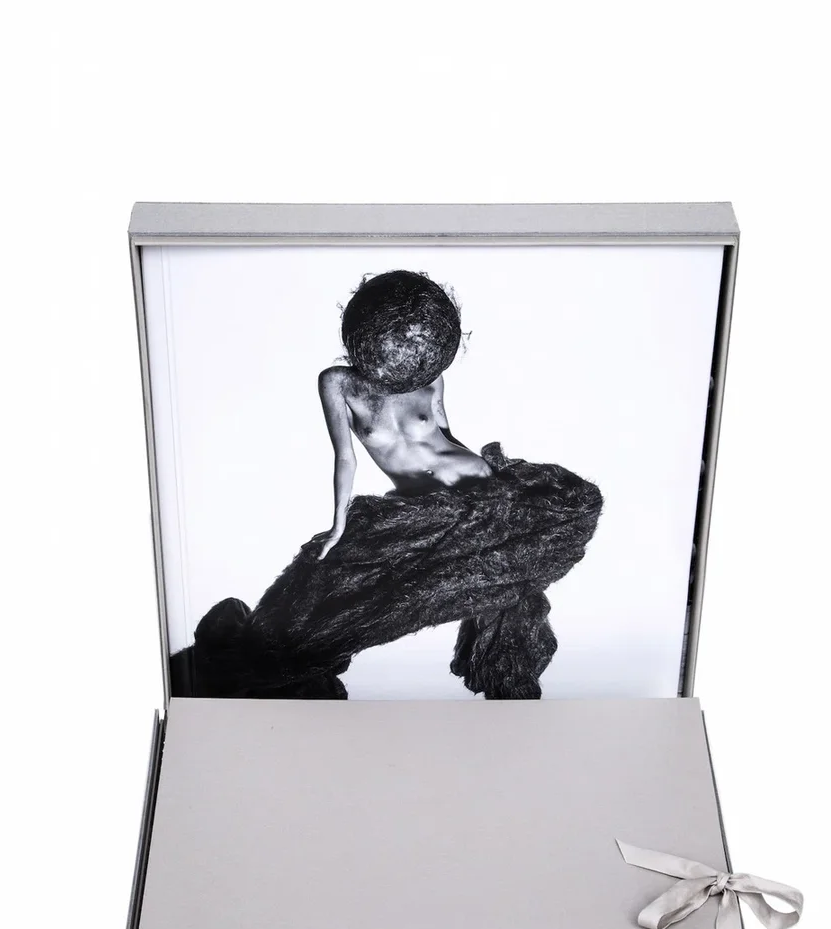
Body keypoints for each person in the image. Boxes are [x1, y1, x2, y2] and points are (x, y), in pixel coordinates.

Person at [173, 270, 602, 700]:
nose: (408, 341)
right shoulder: (337, 382)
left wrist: (499, 483)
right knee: (335, 589)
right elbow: (345, 457)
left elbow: (446, 436)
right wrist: (338, 525)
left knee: (500, 582)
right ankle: (269, 668)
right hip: (421, 507)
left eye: (417, 334)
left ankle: (508, 687)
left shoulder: (430, 377)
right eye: (402, 333)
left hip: (476, 484)